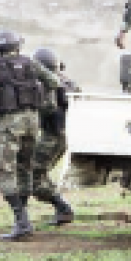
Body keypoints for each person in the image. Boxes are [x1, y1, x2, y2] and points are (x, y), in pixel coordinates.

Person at [0, 31, 61, 240]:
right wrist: (40, 104)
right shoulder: (32, 64)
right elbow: (53, 81)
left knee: (2, 170)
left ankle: (22, 221)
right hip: (33, 123)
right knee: (24, 168)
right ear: (17, 46)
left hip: (10, 122)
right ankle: (23, 220)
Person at [26, 47, 79, 225]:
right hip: (64, 135)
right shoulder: (68, 82)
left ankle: (62, 207)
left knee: (32, 176)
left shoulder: (48, 85)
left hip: (53, 136)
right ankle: (61, 207)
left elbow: (46, 109)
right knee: (37, 173)